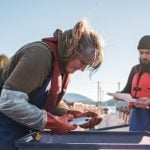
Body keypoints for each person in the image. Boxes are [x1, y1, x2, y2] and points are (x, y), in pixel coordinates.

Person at [0, 20, 103, 149]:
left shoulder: (62, 67)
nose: (82, 69)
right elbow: (8, 102)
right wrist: (52, 122)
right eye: (82, 62)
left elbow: (50, 99)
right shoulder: (39, 55)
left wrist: (71, 115)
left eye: (86, 66)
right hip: (5, 131)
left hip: (25, 133)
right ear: (72, 49)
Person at [113, 35, 150, 131]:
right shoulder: (135, 70)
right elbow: (128, 89)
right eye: (141, 53)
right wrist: (119, 95)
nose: (144, 56)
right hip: (137, 117)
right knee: (136, 144)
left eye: (148, 53)